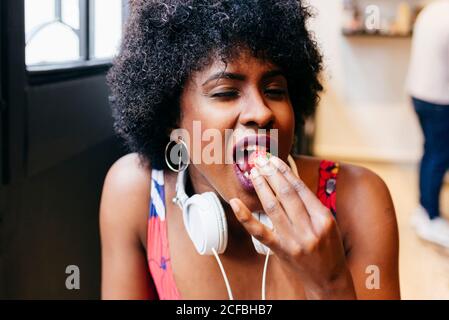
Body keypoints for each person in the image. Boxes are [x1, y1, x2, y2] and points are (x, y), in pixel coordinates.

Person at [100, 0, 400, 300]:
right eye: (226, 92)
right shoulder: (134, 195)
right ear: (171, 119)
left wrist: (330, 284)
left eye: (275, 91)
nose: (261, 112)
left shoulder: (358, 200)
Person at [408, 0, 449, 248]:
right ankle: (430, 217)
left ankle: (423, 209)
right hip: (439, 99)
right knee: (438, 157)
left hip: (419, 94)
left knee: (431, 153)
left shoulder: (431, 11)